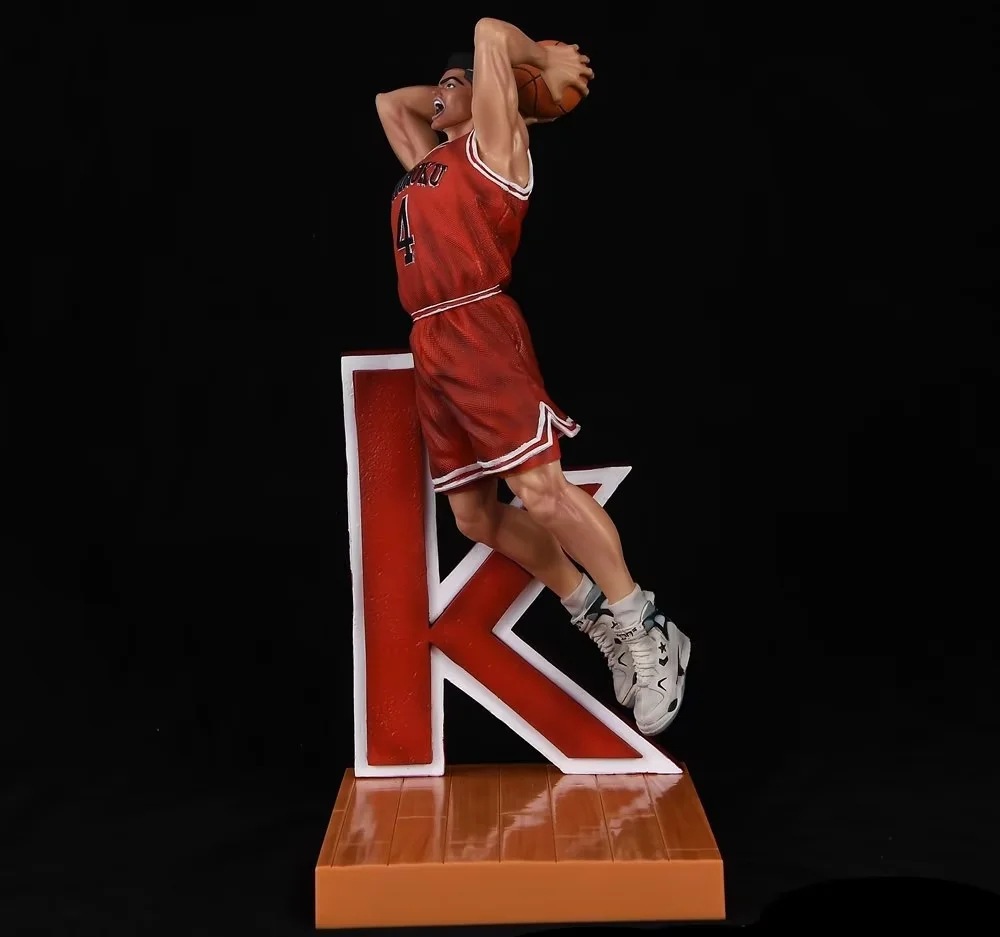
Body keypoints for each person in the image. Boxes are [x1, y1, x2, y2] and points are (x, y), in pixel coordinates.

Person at [374, 17, 690, 737]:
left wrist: (529, 69)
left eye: (452, 85)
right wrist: (455, 89)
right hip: (431, 337)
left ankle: (644, 622)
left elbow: (489, 31)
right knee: (474, 517)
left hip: (478, 325)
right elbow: (389, 102)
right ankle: (590, 610)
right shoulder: (428, 157)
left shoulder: (493, 148)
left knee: (542, 492)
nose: (435, 97)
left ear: (492, 98)